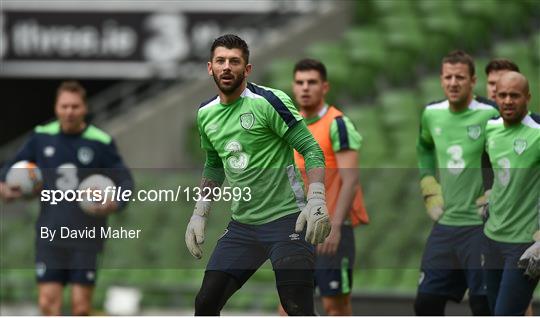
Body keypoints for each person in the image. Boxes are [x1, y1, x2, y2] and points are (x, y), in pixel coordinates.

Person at [185, 34, 331, 316]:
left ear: (247, 69)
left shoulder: (268, 102)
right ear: (210, 67)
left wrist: (316, 198)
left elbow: (311, 149)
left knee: (295, 307)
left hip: (288, 221)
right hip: (243, 227)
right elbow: (214, 164)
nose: (227, 67)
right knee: (205, 305)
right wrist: (200, 212)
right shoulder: (205, 113)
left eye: (234, 61)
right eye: (220, 61)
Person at [0, 81, 133, 315]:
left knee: (81, 307)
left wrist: (116, 202)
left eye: (75, 106)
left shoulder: (100, 141)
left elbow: (125, 181)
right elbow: (9, 171)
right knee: (47, 304)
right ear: (56, 108)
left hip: (86, 237)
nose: (69, 111)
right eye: (64, 106)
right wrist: (6, 188)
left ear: (84, 108)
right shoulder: (41, 137)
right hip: (50, 233)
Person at [276, 58, 369, 315]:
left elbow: (351, 179)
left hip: (331, 228)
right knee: (288, 306)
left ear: (324, 87)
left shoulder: (337, 123)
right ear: (293, 87)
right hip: (298, 231)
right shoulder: (288, 127)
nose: (305, 87)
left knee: (335, 306)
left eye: (312, 82)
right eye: (300, 82)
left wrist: (336, 226)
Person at [414, 50, 498, 315]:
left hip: (480, 227)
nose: (453, 83)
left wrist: (495, 191)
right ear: (441, 80)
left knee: (483, 305)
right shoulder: (431, 113)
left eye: (460, 77)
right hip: (445, 225)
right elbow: (424, 147)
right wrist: (428, 182)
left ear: (473, 81)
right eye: (448, 77)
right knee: (426, 304)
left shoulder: (490, 115)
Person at [482, 71, 540, 315]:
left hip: (524, 244)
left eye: (514, 96)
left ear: (527, 97)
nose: (507, 101)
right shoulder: (490, 129)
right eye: (502, 95)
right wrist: (487, 194)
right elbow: (486, 162)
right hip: (492, 239)